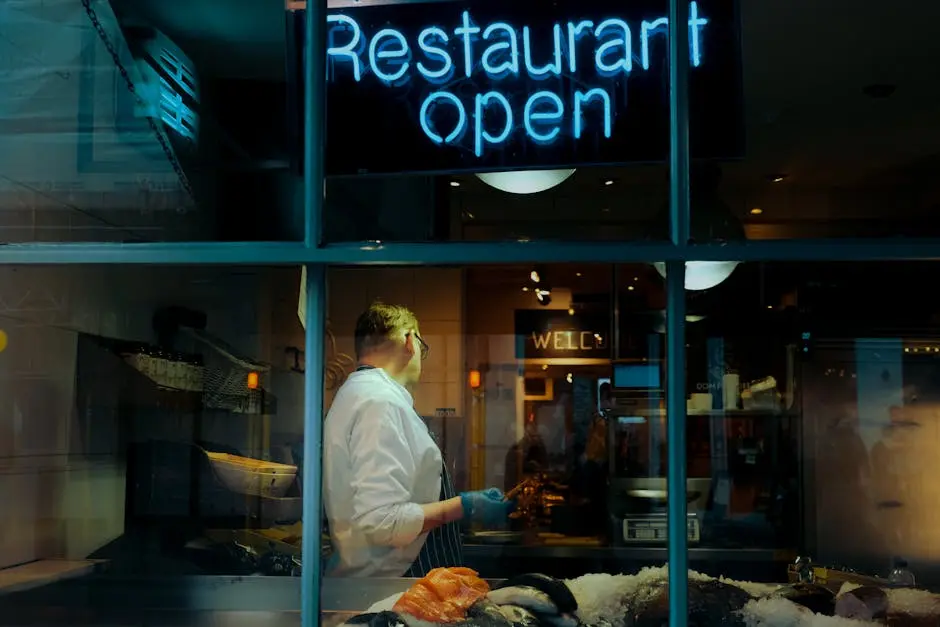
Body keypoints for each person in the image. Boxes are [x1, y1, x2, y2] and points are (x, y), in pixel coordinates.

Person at [323, 301, 513, 577]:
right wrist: (465, 506)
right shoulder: (380, 402)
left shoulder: (354, 396)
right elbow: (381, 522)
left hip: (377, 578)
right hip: (394, 584)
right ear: (410, 341)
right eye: (422, 348)